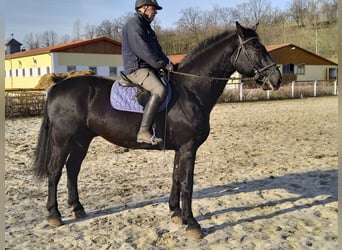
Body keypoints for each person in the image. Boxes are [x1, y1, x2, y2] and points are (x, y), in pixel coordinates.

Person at [122, 0, 173, 145]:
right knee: (159, 89)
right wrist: (161, 64)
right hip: (137, 69)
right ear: (144, 8)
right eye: (154, 8)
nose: (156, 12)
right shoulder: (134, 24)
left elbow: (157, 50)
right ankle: (143, 132)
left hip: (149, 67)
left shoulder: (148, 28)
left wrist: (169, 64)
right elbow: (144, 50)